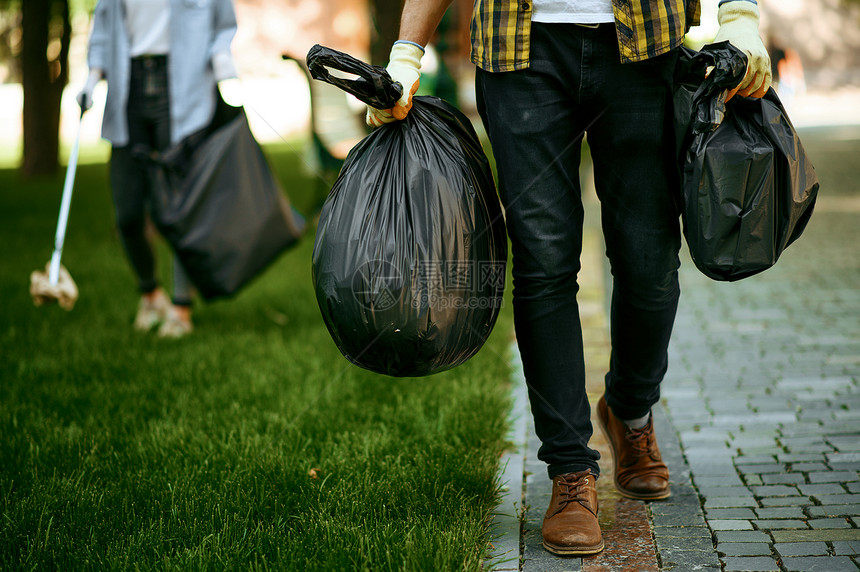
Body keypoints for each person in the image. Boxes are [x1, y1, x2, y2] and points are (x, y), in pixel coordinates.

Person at [367, 0, 770, 556]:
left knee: (649, 261)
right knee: (543, 262)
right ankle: (569, 470)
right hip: (520, 54)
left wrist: (741, 16)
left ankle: (629, 409)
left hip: (645, 47)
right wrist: (407, 53)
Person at [76, 0, 241, 337]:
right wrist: (93, 77)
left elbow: (223, 24)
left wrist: (222, 59)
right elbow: (105, 25)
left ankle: (181, 308)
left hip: (183, 83)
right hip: (128, 87)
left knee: (181, 205)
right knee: (128, 212)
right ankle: (151, 294)